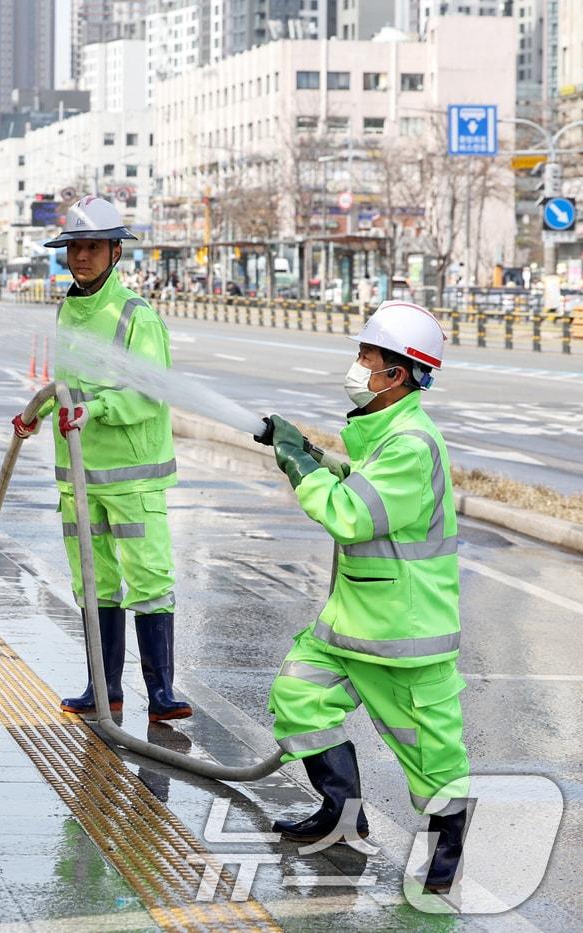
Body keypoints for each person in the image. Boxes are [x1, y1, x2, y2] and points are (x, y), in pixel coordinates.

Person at [259, 300, 470, 893]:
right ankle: (341, 818)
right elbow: (360, 479)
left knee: (431, 759)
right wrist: (309, 450)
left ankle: (445, 859)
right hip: (351, 626)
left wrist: (303, 471)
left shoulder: (411, 444)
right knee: (299, 696)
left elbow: (353, 515)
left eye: (365, 355)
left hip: (402, 637)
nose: (356, 365)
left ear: (396, 374)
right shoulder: (385, 433)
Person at [11, 195, 192, 723]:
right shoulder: (68, 308)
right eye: (74, 247)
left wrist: (95, 410)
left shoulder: (136, 316)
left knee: (150, 581)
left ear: (116, 252)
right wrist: (37, 413)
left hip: (132, 479)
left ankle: (161, 694)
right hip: (79, 477)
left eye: (92, 247)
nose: (81, 257)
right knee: (92, 582)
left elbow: (148, 394)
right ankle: (102, 688)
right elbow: (63, 386)